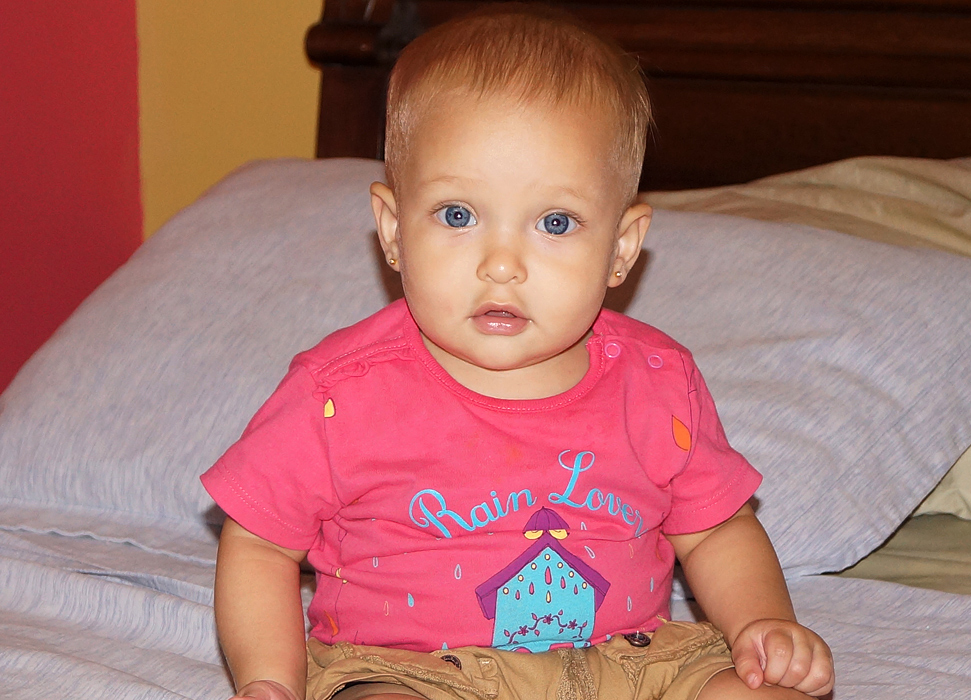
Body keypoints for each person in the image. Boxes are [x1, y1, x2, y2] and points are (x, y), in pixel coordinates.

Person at [201, 6, 835, 700]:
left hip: (632, 661)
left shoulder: (657, 383)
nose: (501, 264)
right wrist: (269, 680)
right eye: (458, 215)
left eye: (554, 223)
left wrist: (763, 623)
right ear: (391, 230)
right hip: (411, 668)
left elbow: (715, 533)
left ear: (620, 248)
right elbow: (260, 544)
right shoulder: (338, 392)